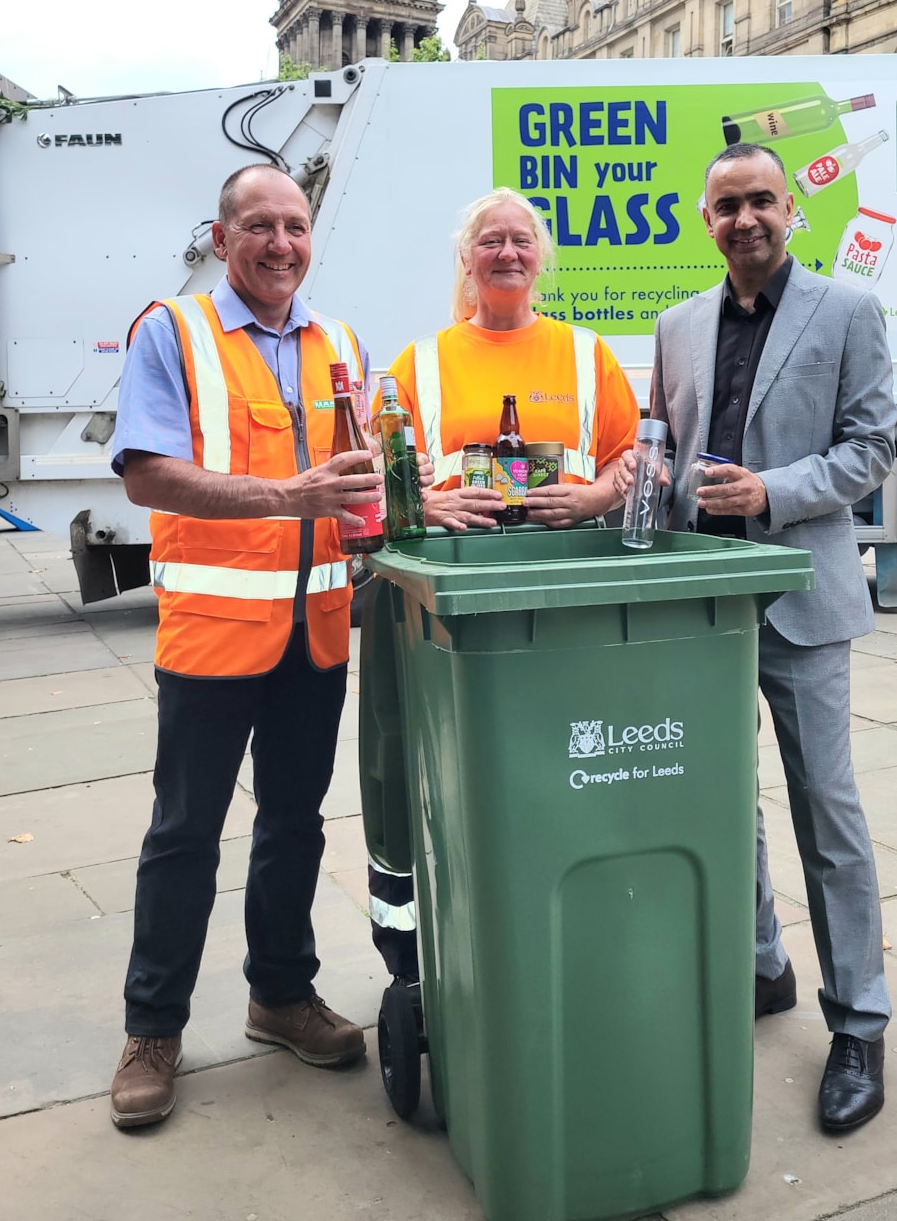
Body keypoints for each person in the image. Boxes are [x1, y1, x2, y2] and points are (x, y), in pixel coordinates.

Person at [107, 163, 378, 1129]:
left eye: (295, 225)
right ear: (221, 240)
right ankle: (152, 1032)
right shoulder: (171, 332)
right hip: (214, 637)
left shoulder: (338, 341)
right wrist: (287, 496)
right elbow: (147, 476)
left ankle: (281, 995)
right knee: (183, 836)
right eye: (257, 225)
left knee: (295, 825)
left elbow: (359, 477)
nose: (280, 243)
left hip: (316, 636)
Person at [650, 142, 895, 1133]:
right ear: (702, 219)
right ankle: (761, 965)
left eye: (760, 200)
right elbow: (659, 447)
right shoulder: (674, 324)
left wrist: (771, 492)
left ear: (788, 209)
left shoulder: (846, 311)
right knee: (717, 801)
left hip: (798, 595)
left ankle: (860, 1021)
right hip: (701, 604)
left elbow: (869, 448)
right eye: (725, 205)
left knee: (822, 811)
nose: (743, 217)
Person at [366, 188, 640, 981]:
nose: (507, 253)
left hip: (572, 598)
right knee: (452, 774)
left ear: (540, 256)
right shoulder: (420, 363)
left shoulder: (588, 355)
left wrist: (592, 496)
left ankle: (580, 914)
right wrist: (430, 498)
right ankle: (424, 957)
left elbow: (634, 458)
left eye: (521, 240)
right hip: (456, 602)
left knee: (571, 761)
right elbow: (390, 477)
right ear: (467, 257)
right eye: (491, 241)